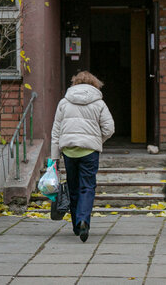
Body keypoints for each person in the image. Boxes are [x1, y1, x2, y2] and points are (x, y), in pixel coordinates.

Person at [50, 71, 115, 242]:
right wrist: (96, 140)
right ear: (95, 85)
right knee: (87, 187)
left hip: (69, 151)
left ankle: (76, 226)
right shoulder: (99, 103)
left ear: (74, 83)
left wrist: (54, 158)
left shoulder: (64, 102)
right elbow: (109, 128)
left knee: (73, 187)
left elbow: (56, 131)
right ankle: (84, 220)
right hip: (89, 152)